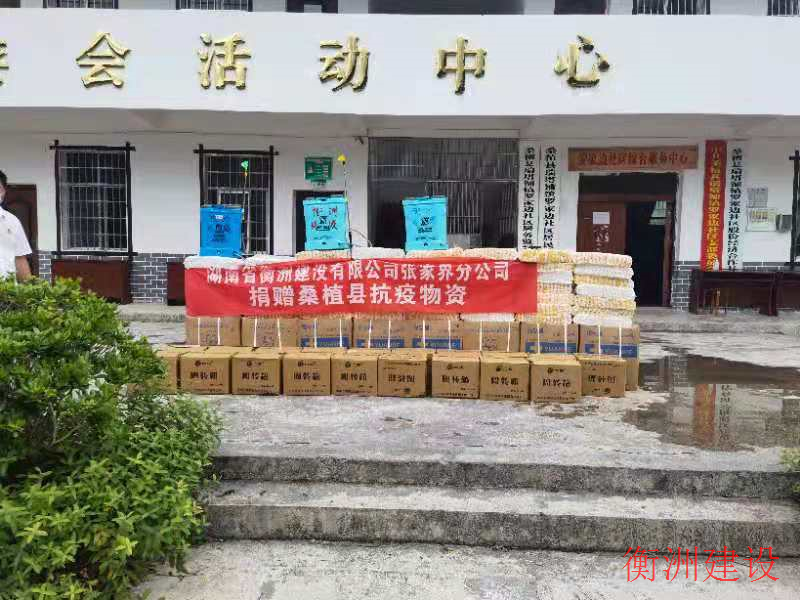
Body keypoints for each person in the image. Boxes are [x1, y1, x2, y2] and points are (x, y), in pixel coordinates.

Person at [0, 169, 32, 282]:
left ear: (2, 192)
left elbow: (20, 259)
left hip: (8, 291)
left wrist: (30, 290)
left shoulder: (12, 221)